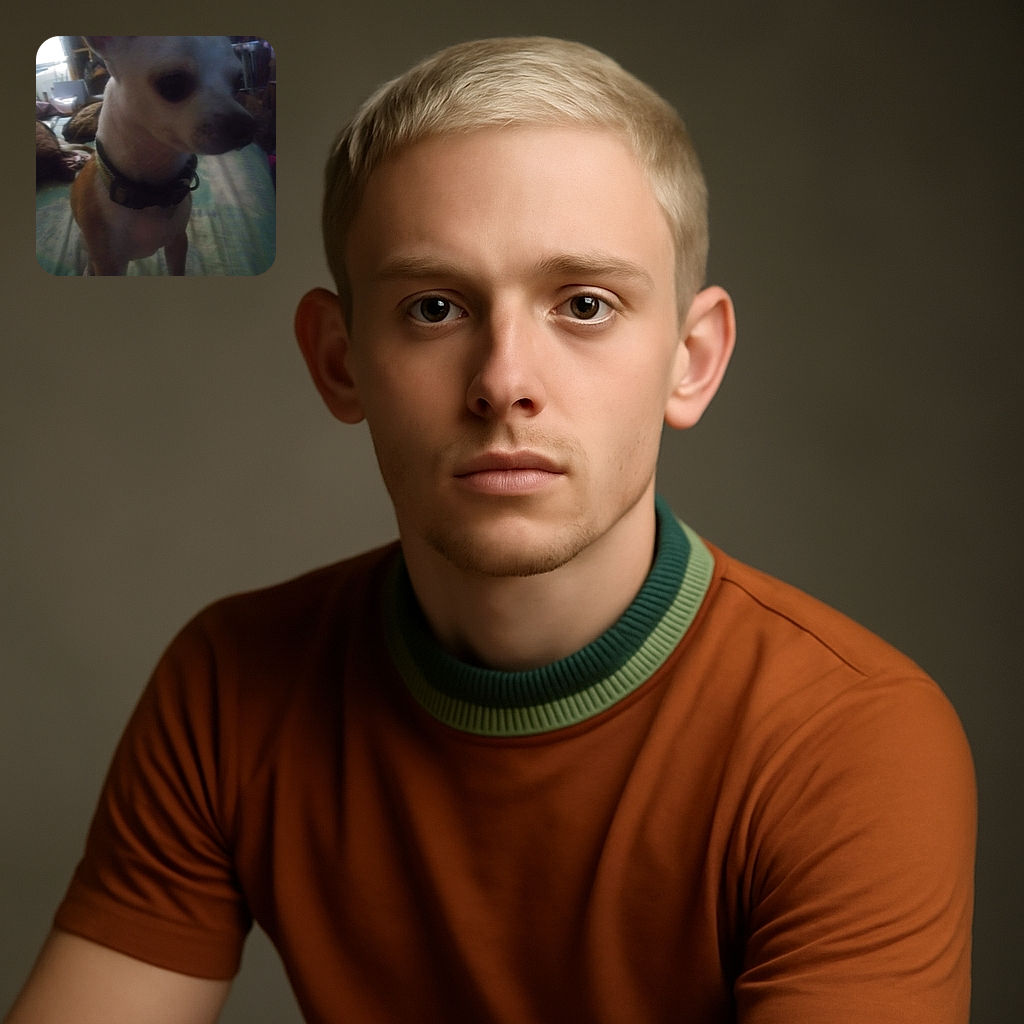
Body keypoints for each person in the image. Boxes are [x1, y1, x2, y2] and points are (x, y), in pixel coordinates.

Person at [6, 36, 975, 1024]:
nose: (504, 379)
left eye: (585, 304)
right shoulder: (229, 685)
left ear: (691, 360)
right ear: (340, 364)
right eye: (434, 307)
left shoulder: (851, 737)